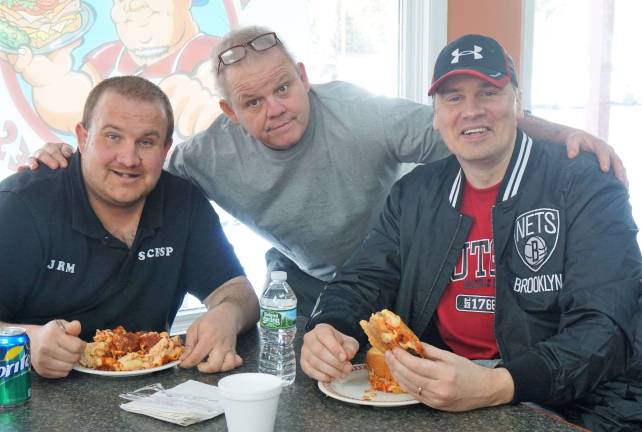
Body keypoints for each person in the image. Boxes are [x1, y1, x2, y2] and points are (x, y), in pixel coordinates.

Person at [26, 25, 628, 317]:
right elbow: (136, 162)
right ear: (229, 114)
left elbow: (466, 119)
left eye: (284, 87)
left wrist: (565, 133)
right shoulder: (203, 156)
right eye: (254, 103)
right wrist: (61, 160)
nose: (277, 109)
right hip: (312, 278)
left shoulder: (361, 114)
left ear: (305, 77)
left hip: (401, 267)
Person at [300, 34, 642, 431]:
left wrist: (497, 384)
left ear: (516, 100)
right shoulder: (414, 193)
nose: (471, 111)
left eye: (489, 92)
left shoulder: (585, 183)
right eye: (453, 97)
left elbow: (604, 327)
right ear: (436, 114)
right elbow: (362, 281)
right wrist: (328, 326)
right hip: (442, 396)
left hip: (579, 403)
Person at [0, 76, 259, 379]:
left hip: (155, 402)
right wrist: (28, 340)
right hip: (29, 401)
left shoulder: (183, 202)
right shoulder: (22, 205)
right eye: (113, 137)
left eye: (146, 142)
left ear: (165, 149)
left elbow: (238, 293)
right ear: (83, 138)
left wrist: (228, 314)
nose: (129, 158)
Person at [1, 0, 221, 137]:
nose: (133, 7)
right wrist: (48, 81)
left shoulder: (211, 54)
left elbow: (216, 93)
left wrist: (203, 110)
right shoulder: (108, 58)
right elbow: (77, 107)